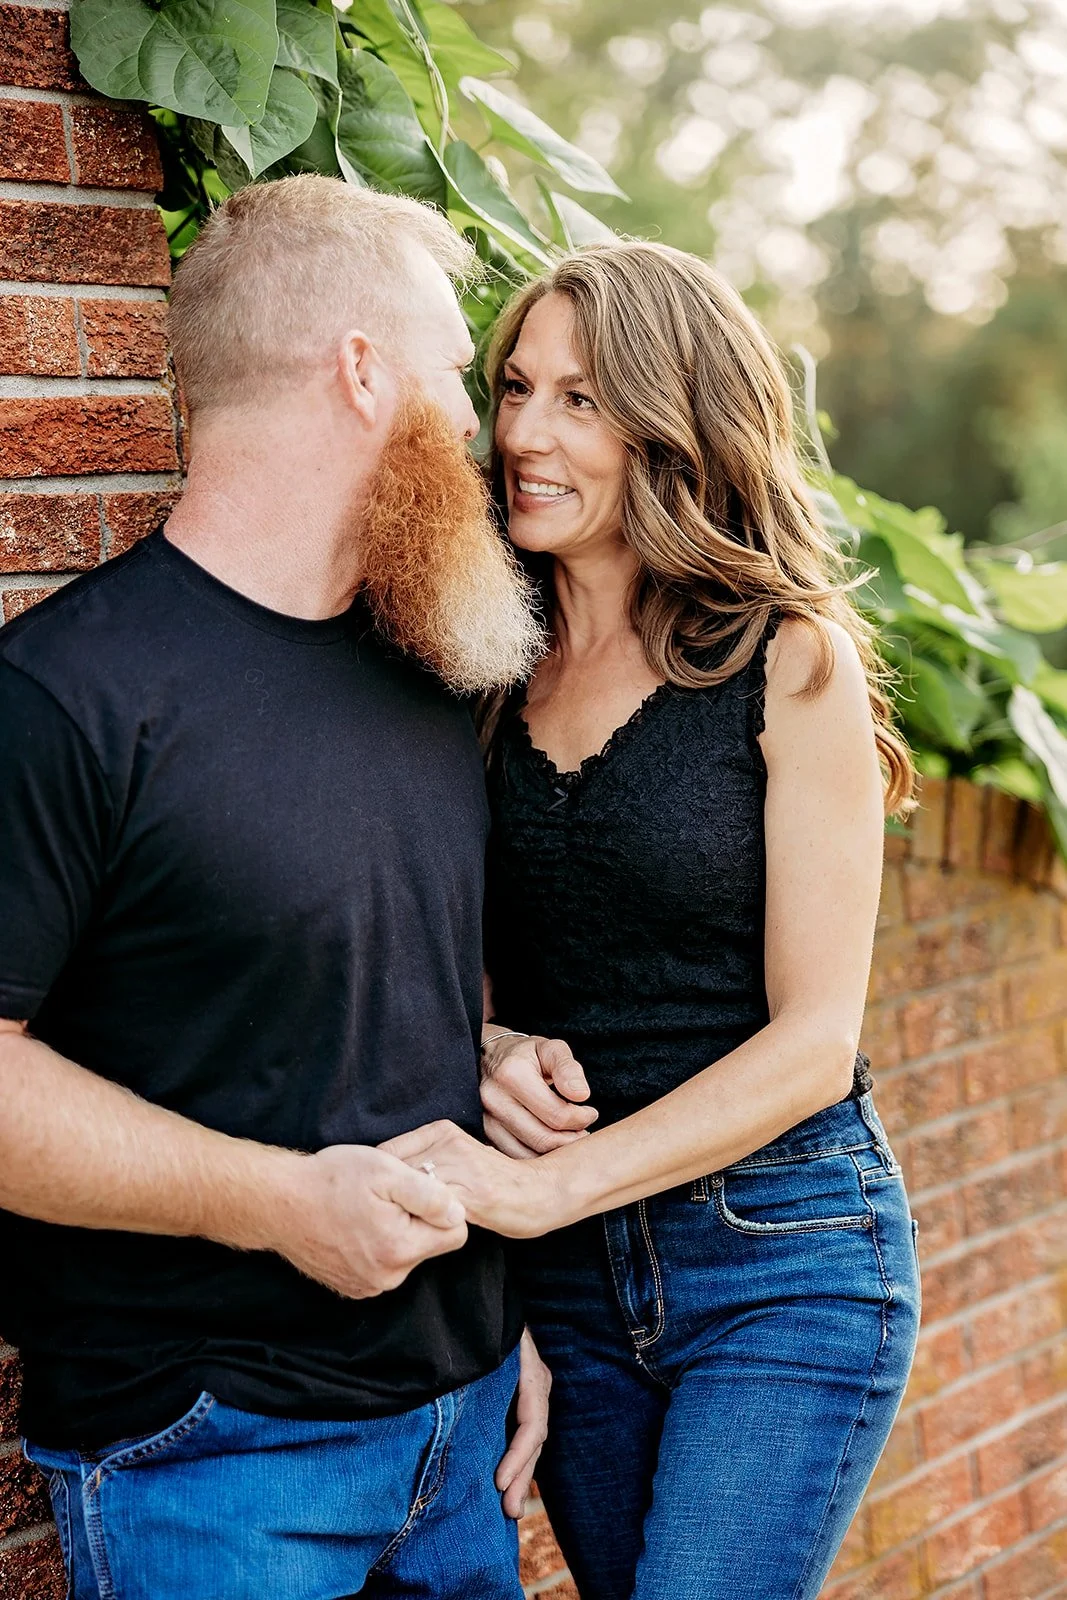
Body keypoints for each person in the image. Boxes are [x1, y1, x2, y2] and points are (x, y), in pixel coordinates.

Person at [0, 174, 551, 1600]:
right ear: (363, 374)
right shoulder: (63, 697)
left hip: (465, 1431)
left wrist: (504, 1319)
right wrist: (277, 1203)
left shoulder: (434, 668)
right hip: (215, 1466)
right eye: (450, 369)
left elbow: (343, 999)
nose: (480, 428)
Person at [384, 242, 922, 1600]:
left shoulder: (784, 656)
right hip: (560, 1284)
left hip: (782, 1256)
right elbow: (432, 967)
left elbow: (814, 1042)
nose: (521, 434)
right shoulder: (468, 660)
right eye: (515, 388)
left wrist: (543, 1186)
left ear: (674, 423)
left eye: (579, 400)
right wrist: (497, 1045)